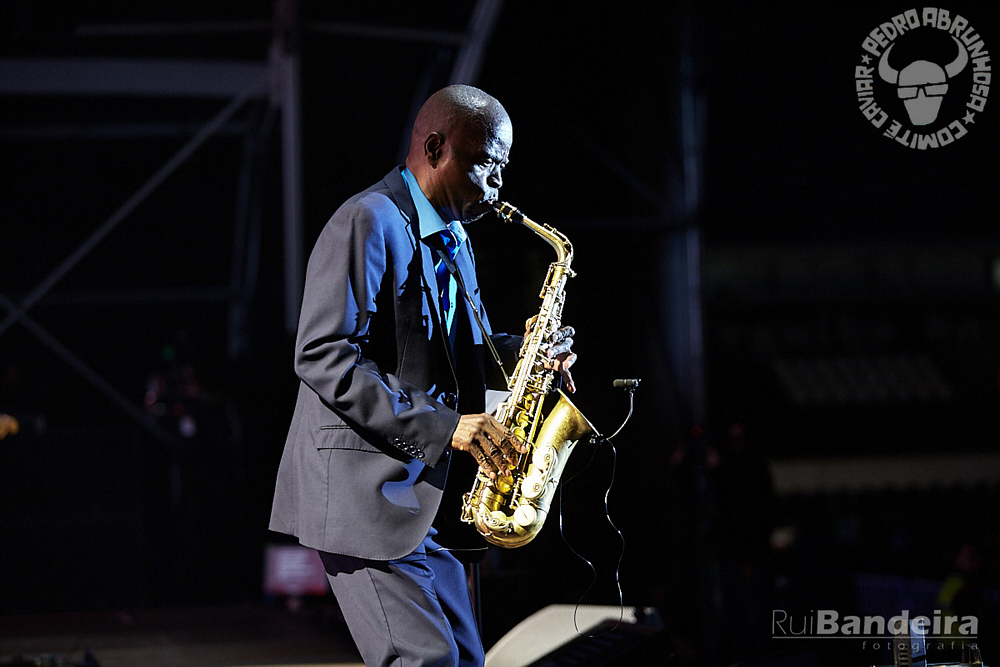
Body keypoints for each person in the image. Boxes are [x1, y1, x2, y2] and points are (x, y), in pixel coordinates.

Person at [269, 84, 576, 666]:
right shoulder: (366, 220)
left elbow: (466, 352)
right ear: (435, 147)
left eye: (502, 167)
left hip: (423, 495)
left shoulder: (455, 235)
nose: (498, 184)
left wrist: (531, 354)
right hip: (365, 498)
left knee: (463, 659)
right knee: (425, 661)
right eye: (487, 164)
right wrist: (447, 428)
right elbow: (322, 354)